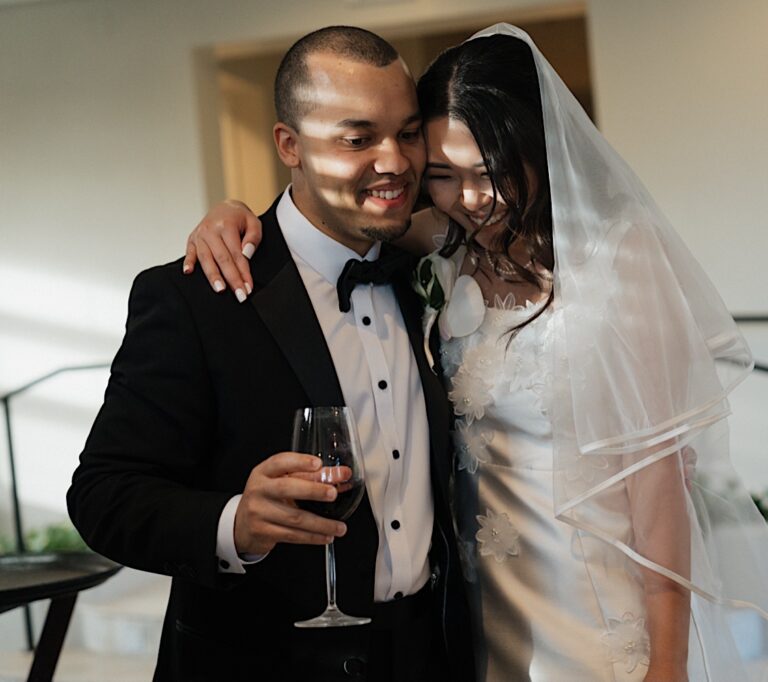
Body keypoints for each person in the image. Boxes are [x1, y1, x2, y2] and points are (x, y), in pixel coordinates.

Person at [185, 24, 768, 681]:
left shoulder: (619, 260)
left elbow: (657, 485)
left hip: (588, 604)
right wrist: (234, 217)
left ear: (537, 149)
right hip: (473, 614)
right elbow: (323, 223)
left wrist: (667, 663)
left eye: (492, 172)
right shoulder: (444, 242)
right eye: (442, 175)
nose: (472, 199)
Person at [67, 26, 475, 682]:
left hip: (430, 655)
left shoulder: (430, 269)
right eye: (357, 137)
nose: (395, 161)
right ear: (290, 145)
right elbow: (103, 496)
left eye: (406, 132)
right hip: (261, 662)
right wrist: (235, 522)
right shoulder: (196, 297)